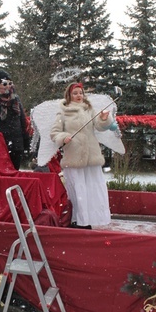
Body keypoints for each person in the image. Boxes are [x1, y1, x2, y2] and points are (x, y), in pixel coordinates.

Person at [50, 82, 113, 228]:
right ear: (69, 95)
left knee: (93, 188)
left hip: (92, 156)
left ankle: (96, 220)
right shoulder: (63, 111)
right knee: (78, 190)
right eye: (75, 93)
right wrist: (64, 137)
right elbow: (54, 133)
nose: (79, 96)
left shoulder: (89, 109)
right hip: (74, 157)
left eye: (81, 93)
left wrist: (103, 119)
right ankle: (80, 221)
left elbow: (99, 126)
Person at [0, 69, 30, 170]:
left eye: (10, 83)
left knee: (15, 170)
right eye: (4, 84)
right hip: (0, 143)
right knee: (1, 172)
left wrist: (25, 141)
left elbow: (22, 120)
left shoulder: (15, 99)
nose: (8, 86)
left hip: (16, 143)